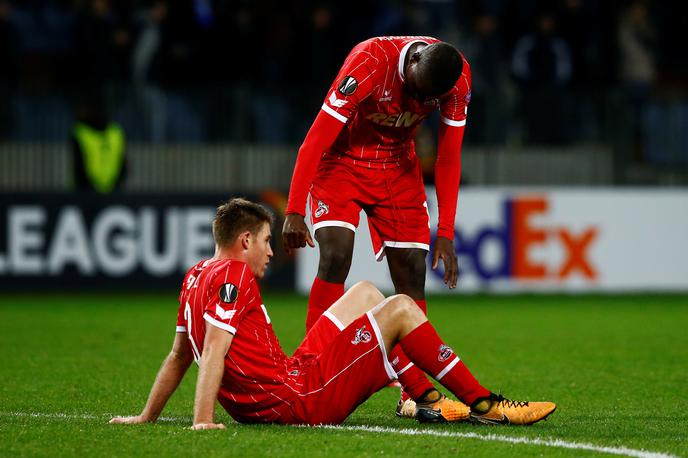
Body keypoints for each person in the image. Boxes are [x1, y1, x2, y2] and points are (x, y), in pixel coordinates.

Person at [110, 198, 556, 429]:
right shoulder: (235, 276)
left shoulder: (194, 275)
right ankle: (485, 404)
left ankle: (422, 400)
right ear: (244, 240)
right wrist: (202, 421)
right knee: (400, 307)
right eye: (266, 241)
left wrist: (147, 417)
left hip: (287, 376)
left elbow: (178, 357)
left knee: (364, 291)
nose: (270, 252)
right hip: (295, 400)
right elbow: (213, 348)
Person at [282, 36, 471, 419]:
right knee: (335, 255)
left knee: (412, 273)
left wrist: (446, 232)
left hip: (398, 169)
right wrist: (294, 208)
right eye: (417, 91)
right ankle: (310, 367)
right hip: (342, 162)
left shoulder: (457, 82)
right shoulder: (369, 62)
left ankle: (411, 393)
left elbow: (449, 158)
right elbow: (317, 137)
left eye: (428, 101)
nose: (419, 104)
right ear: (413, 60)